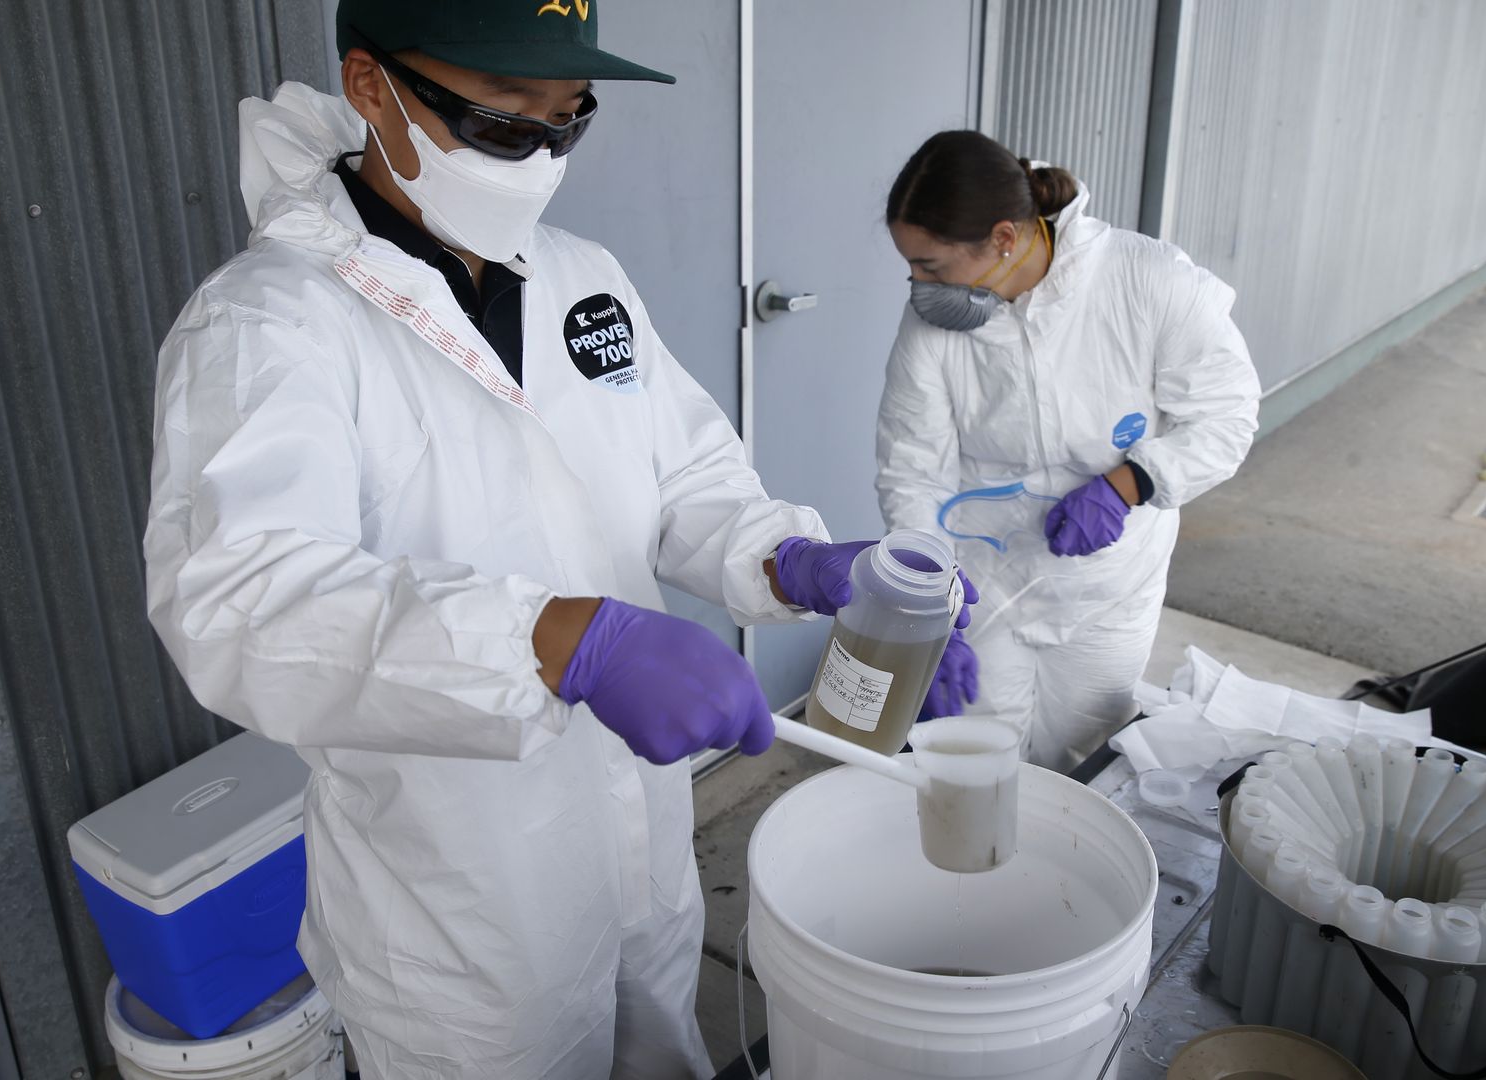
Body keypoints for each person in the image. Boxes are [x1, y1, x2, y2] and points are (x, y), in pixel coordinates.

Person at [143, 3, 958, 1076]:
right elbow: (245, 605)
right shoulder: (271, 325)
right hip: (460, 909)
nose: (536, 159)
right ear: (373, 87)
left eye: (566, 123)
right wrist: (554, 640)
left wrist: (795, 562)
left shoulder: (582, 278)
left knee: (658, 1047)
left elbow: (686, 482)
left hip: (637, 847)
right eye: (503, 123)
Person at [878, 130, 1261, 772]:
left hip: (1106, 591)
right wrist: (931, 604)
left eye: (931, 265)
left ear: (1003, 238)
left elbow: (1226, 417)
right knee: (970, 765)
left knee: (1082, 765)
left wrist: (1130, 483)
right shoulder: (933, 325)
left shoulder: (1147, 283)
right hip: (985, 583)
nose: (916, 284)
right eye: (910, 265)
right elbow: (912, 469)